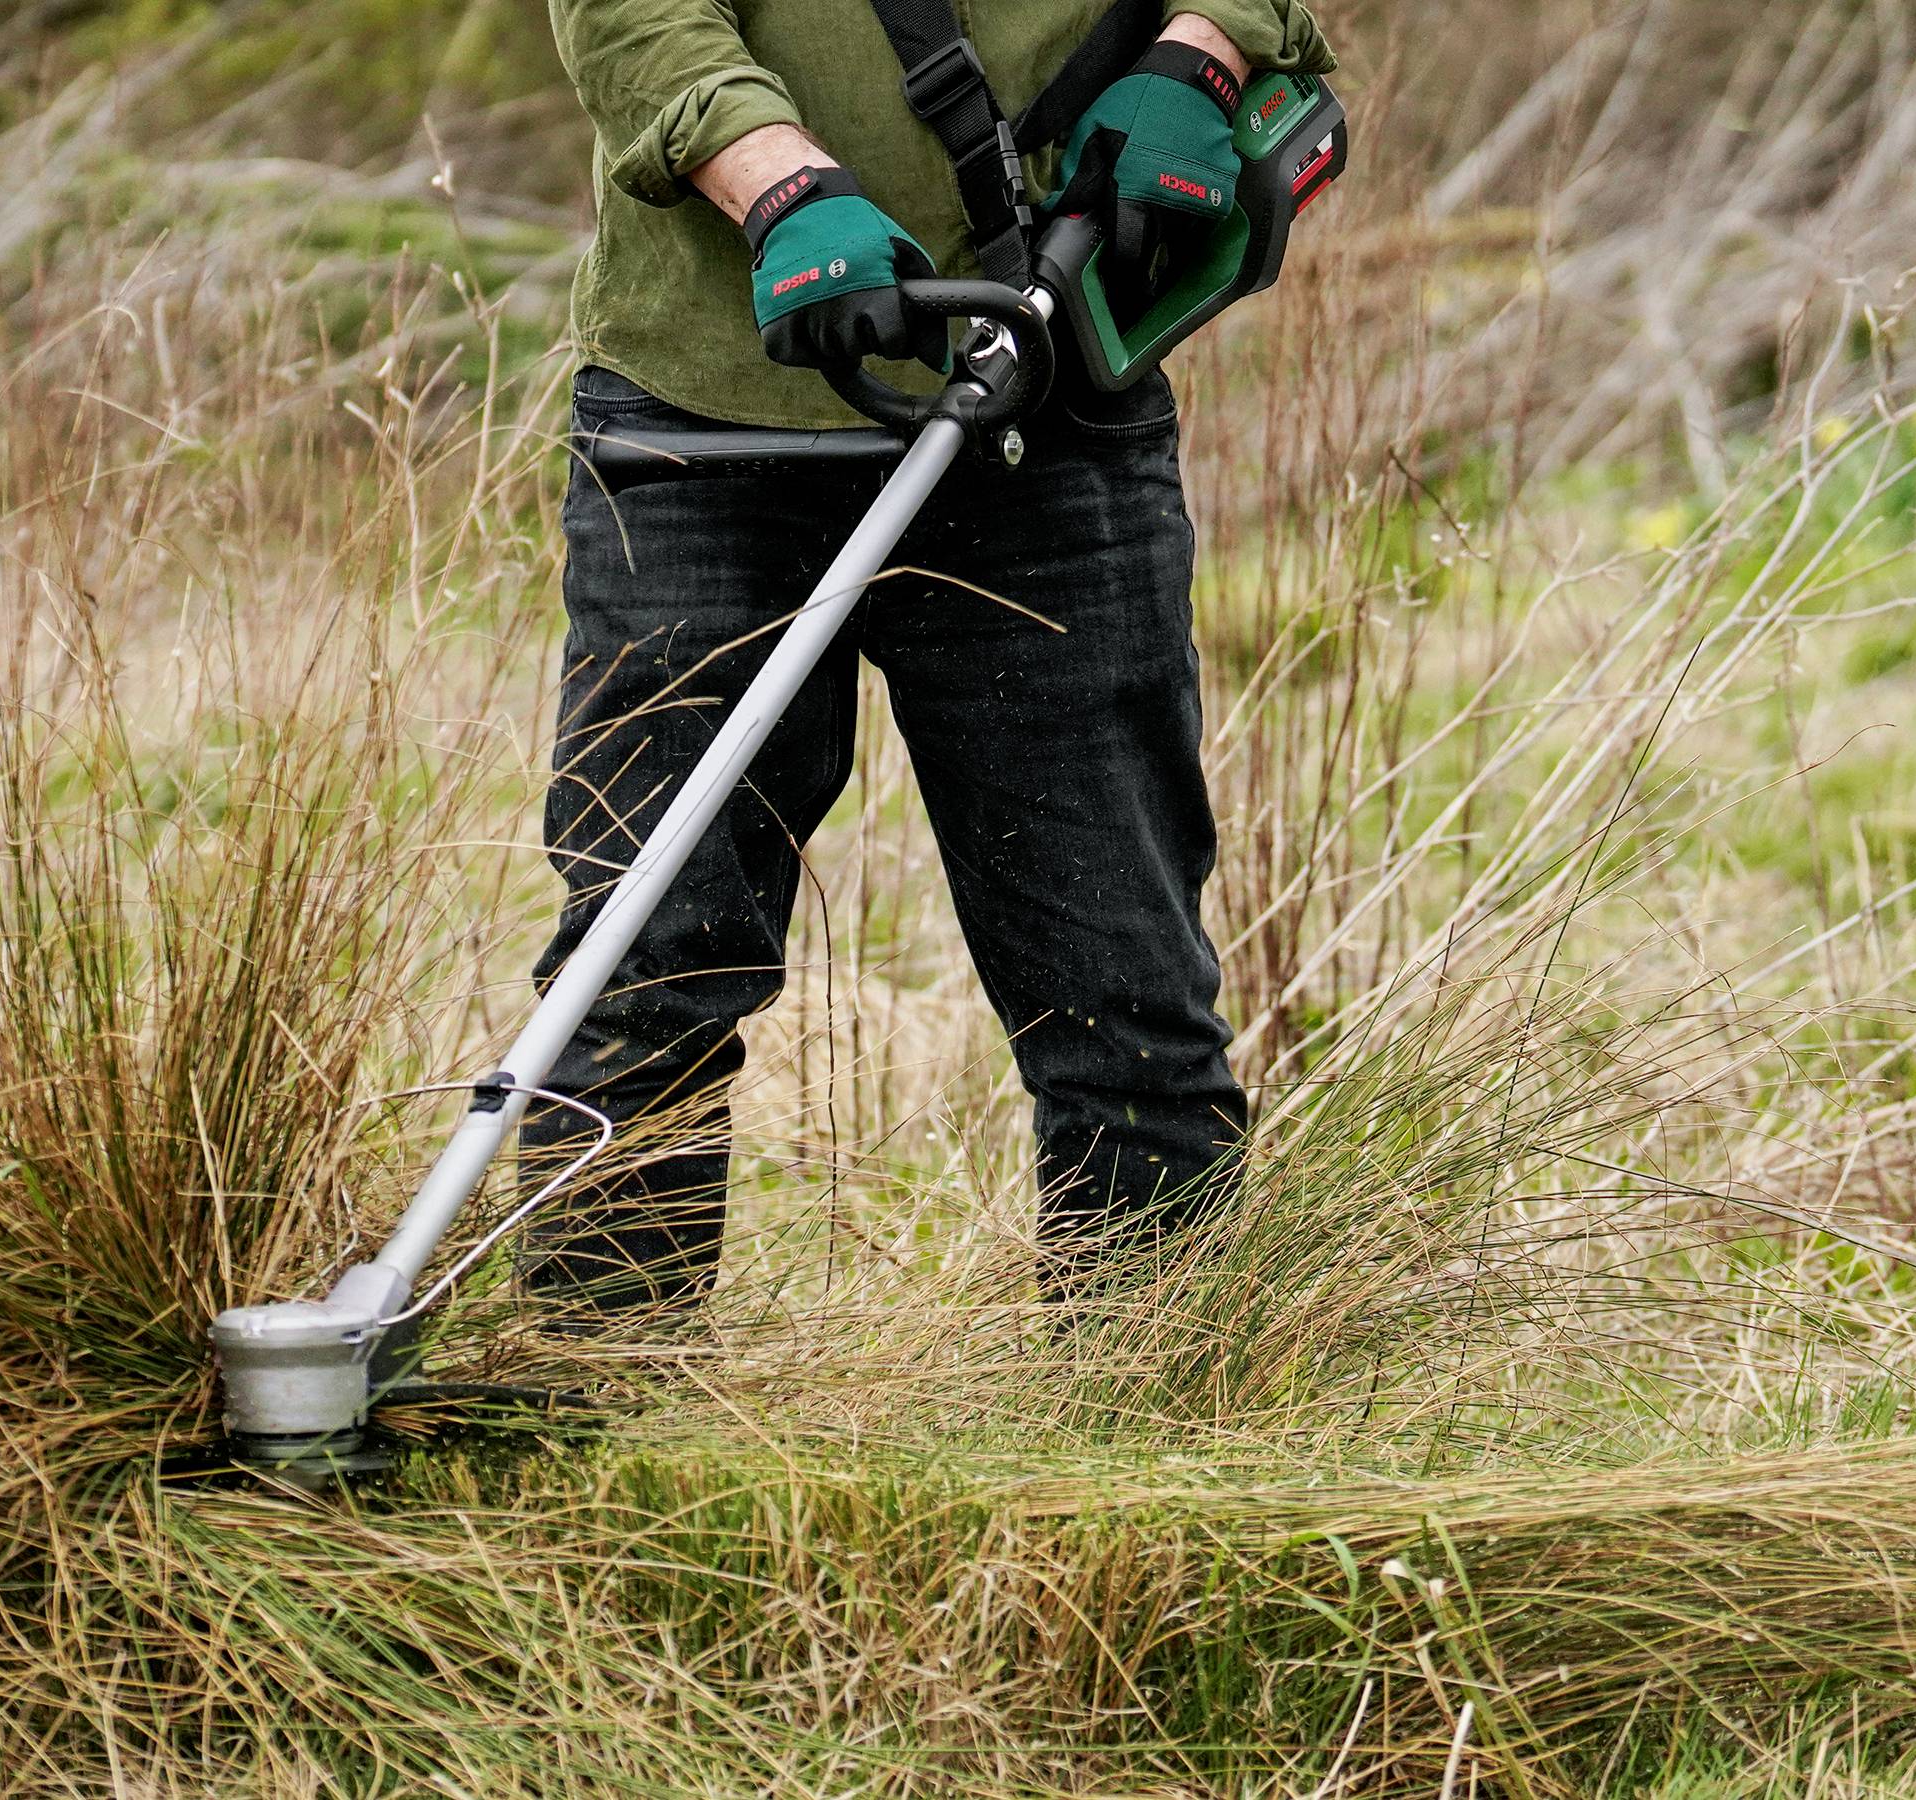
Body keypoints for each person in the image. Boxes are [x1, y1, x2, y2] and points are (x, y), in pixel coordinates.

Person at [522, 0, 1336, 1324]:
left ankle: (1169, 1428)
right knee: (644, 966)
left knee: (1121, 989)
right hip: (708, 421)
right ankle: (588, 1437)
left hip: (1052, 404)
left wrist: (1203, 54)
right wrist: (781, 183)